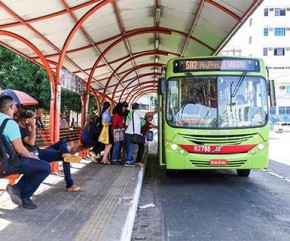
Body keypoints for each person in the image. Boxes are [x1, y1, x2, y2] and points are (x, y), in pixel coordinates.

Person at [0, 96, 51, 209]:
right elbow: (20, 150)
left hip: (3, 162)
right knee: (45, 167)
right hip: (7, 165)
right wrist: (33, 158)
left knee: (32, 165)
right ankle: (24, 196)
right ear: (12, 106)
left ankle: (17, 189)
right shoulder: (10, 123)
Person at [18, 110, 84, 192]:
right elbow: (31, 143)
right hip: (38, 155)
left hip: (40, 151)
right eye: (32, 119)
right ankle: (69, 185)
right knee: (66, 158)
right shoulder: (21, 130)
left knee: (63, 142)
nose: (33, 120)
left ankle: (65, 153)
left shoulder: (24, 128)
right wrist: (33, 127)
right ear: (27, 120)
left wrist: (30, 127)